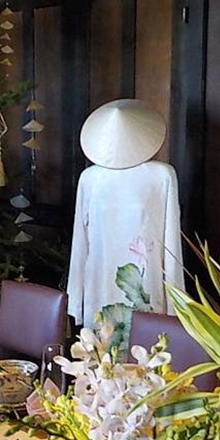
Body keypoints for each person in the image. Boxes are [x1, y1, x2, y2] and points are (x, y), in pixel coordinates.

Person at [66, 98, 185, 327]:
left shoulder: (162, 176)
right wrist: (75, 300)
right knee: (101, 343)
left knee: (148, 343)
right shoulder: (89, 178)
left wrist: (176, 305)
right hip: (99, 277)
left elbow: (172, 243)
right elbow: (80, 242)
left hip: (146, 277)